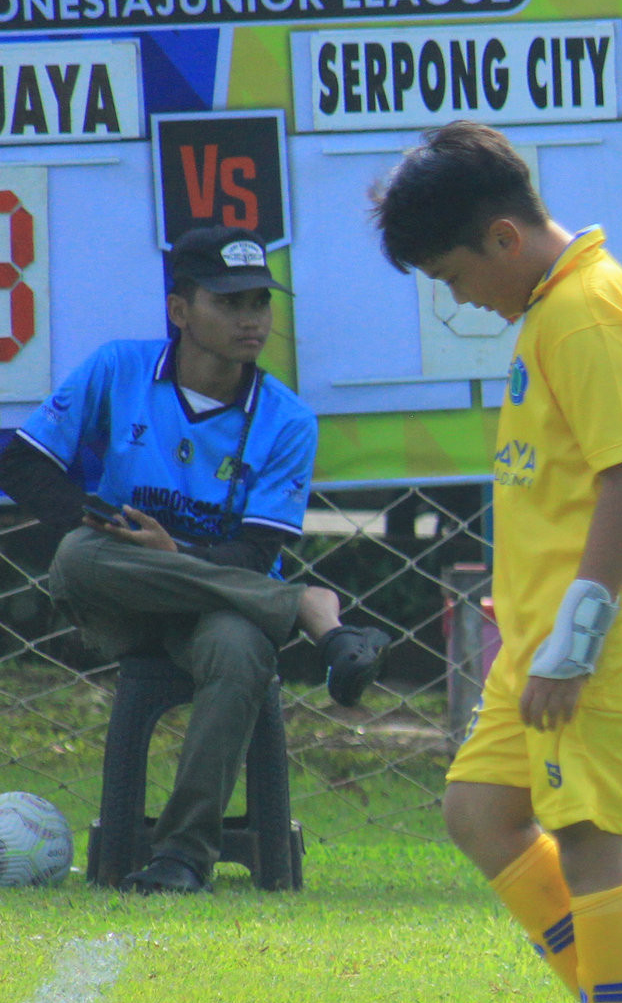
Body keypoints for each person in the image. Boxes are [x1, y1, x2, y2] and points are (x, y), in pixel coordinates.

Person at [372, 121, 622, 1003]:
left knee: (597, 843)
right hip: (549, 629)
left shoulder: (585, 312)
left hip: (605, 629)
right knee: (480, 809)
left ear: (504, 238)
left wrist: (576, 638)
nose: (457, 296)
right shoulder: (556, 305)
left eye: (452, 274)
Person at [0, 226, 387, 894]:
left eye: (259, 302)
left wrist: (172, 552)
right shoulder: (118, 368)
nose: (250, 319)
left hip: (221, 608)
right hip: (121, 592)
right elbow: (22, 462)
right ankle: (303, 607)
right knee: (76, 556)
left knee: (240, 650)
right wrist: (99, 520)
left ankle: (182, 857)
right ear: (179, 310)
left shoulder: (288, 419)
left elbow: (257, 551)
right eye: (229, 302)